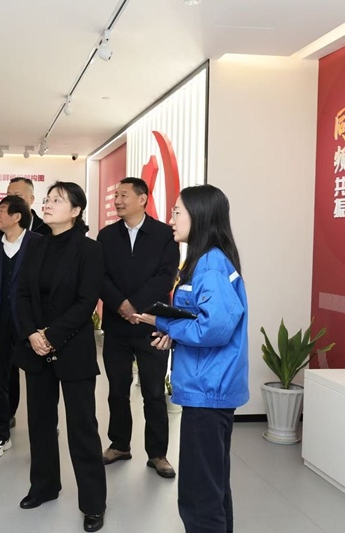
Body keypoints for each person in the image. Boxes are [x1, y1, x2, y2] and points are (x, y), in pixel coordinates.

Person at [135, 184, 249, 533]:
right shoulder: (205, 260)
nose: (171, 219)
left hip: (208, 390)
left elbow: (215, 328)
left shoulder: (210, 264)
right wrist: (174, 334)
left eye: (177, 212)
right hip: (209, 386)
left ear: (199, 216)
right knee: (212, 488)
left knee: (200, 496)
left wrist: (165, 323)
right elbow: (204, 319)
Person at [15, 182, 106, 532]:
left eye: (57, 200)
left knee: (82, 428)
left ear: (76, 211)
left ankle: (93, 503)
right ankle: (44, 486)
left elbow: (86, 302)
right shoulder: (35, 244)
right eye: (48, 199)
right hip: (36, 349)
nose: (48, 204)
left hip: (72, 350)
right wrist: (31, 334)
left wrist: (51, 336)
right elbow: (21, 294)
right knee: (39, 423)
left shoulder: (89, 249)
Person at [96, 177, 179, 478]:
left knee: (154, 393)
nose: (117, 200)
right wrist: (122, 305)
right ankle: (119, 445)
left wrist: (136, 306)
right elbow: (100, 276)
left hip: (152, 326)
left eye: (124, 195)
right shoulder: (106, 235)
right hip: (117, 326)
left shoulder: (163, 235)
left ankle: (158, 454)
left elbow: (166, 276)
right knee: (117, 391)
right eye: (116, 195)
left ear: (142, 199)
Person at [0, 195, 41, 458]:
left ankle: (43, 429)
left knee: (37, 380)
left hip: (30, 325)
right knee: (0, 379)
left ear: (17, 216)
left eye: (2, 210)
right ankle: (0, 433)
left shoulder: (38, 244)